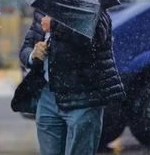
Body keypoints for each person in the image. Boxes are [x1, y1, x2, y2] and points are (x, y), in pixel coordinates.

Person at [18, 9, 125, 155]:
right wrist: (33, 54)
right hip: (48, 97)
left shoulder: (93, 5)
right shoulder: (44, 8)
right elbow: (25, 50)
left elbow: (93, 38)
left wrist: (55, 25)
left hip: (84, 97)